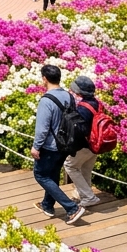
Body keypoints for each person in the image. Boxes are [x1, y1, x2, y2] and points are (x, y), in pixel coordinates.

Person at [32, 64, 87, 224]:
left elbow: (42, 128)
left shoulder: (46, 100)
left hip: (50, 146)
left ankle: (72, 208)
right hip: (65, 144)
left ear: (44, 79)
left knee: (41, 175)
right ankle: (47, 205)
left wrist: (36, 146)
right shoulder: (69, 96)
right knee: (53, 175)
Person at [66, 76, 102, 207]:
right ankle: (85, 195)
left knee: (70, 166)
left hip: (85, 145)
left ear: (78, 92)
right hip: (95, 144)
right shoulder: (95, 103)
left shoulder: (83, 108)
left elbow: (79, 130)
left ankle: (88, 196)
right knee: (86, 169)